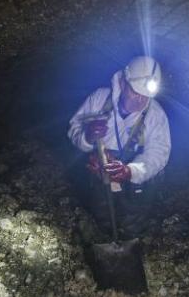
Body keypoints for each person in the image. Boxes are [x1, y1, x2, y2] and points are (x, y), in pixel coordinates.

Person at [68, 56, 171, 237]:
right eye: (135, 91)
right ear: (123, 81)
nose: (140, 100)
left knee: (134, 217)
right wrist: (87, 136)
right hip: (100, 172)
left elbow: (159, 153)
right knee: (101, 214)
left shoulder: (156, 114)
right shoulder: (99, 99)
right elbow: (74, 129)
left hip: (135, 179)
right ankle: (105, 237)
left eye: (146, 96)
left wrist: (132, 170)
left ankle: (130, 239)